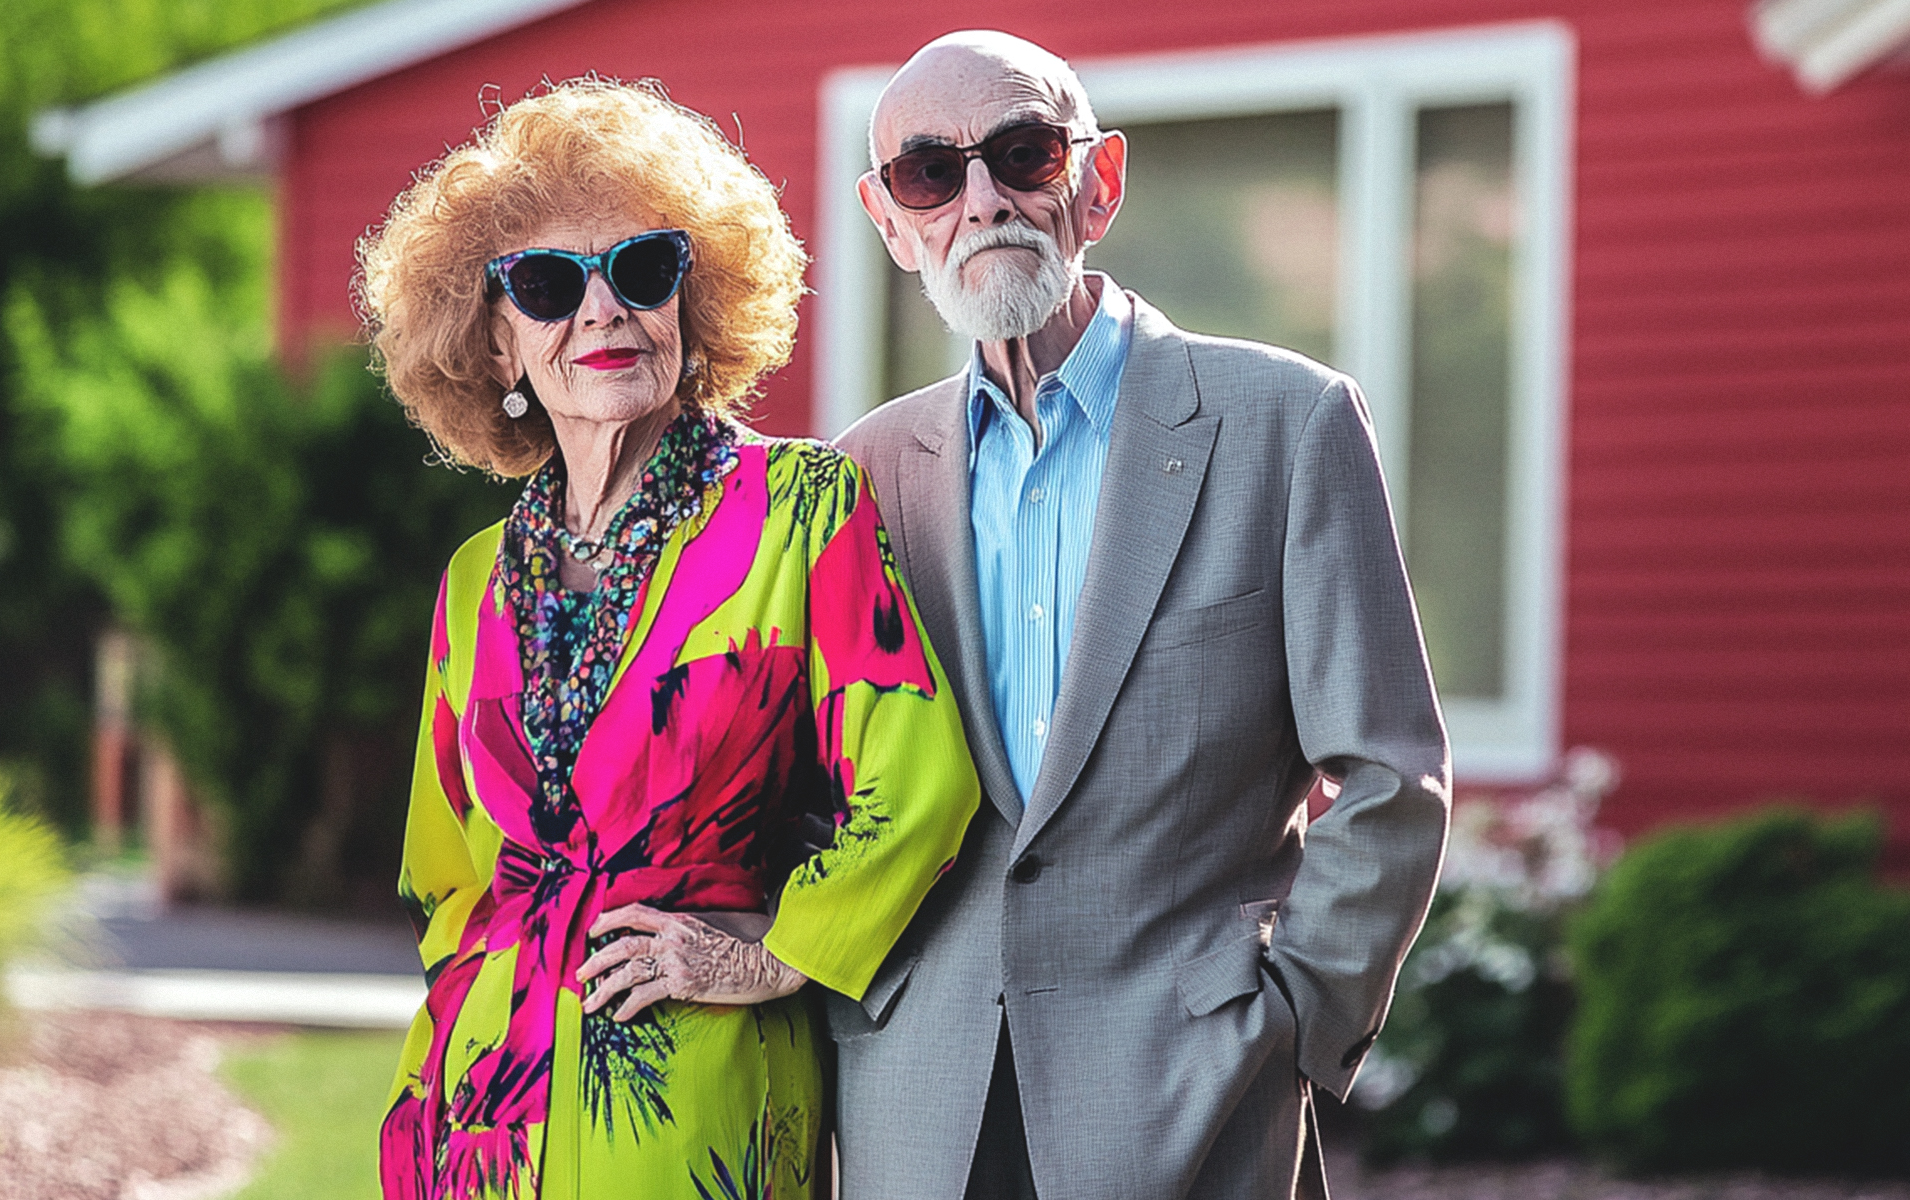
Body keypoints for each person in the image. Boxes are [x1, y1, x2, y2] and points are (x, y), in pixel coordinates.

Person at [833, 31, 1452, 1200]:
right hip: (917, 1111)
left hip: (1196, 1099)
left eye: (1023, 153)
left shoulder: (1288, 422)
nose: (983, 201)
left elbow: (1389, 773)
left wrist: (1292, 1023)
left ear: (1096, 184)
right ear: (891, 217)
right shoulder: (859, 475)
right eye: (931, 172)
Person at [356, 78, 980, 1200]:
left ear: (691, 302)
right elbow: (448, 872)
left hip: (690, 1098)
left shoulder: (801, 508)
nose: (600, 310)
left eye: (641, 269)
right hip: (478, 1113)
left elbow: (920, 786)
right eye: (546, 285)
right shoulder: (473, 582)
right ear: (497, 347)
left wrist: (768, 958)